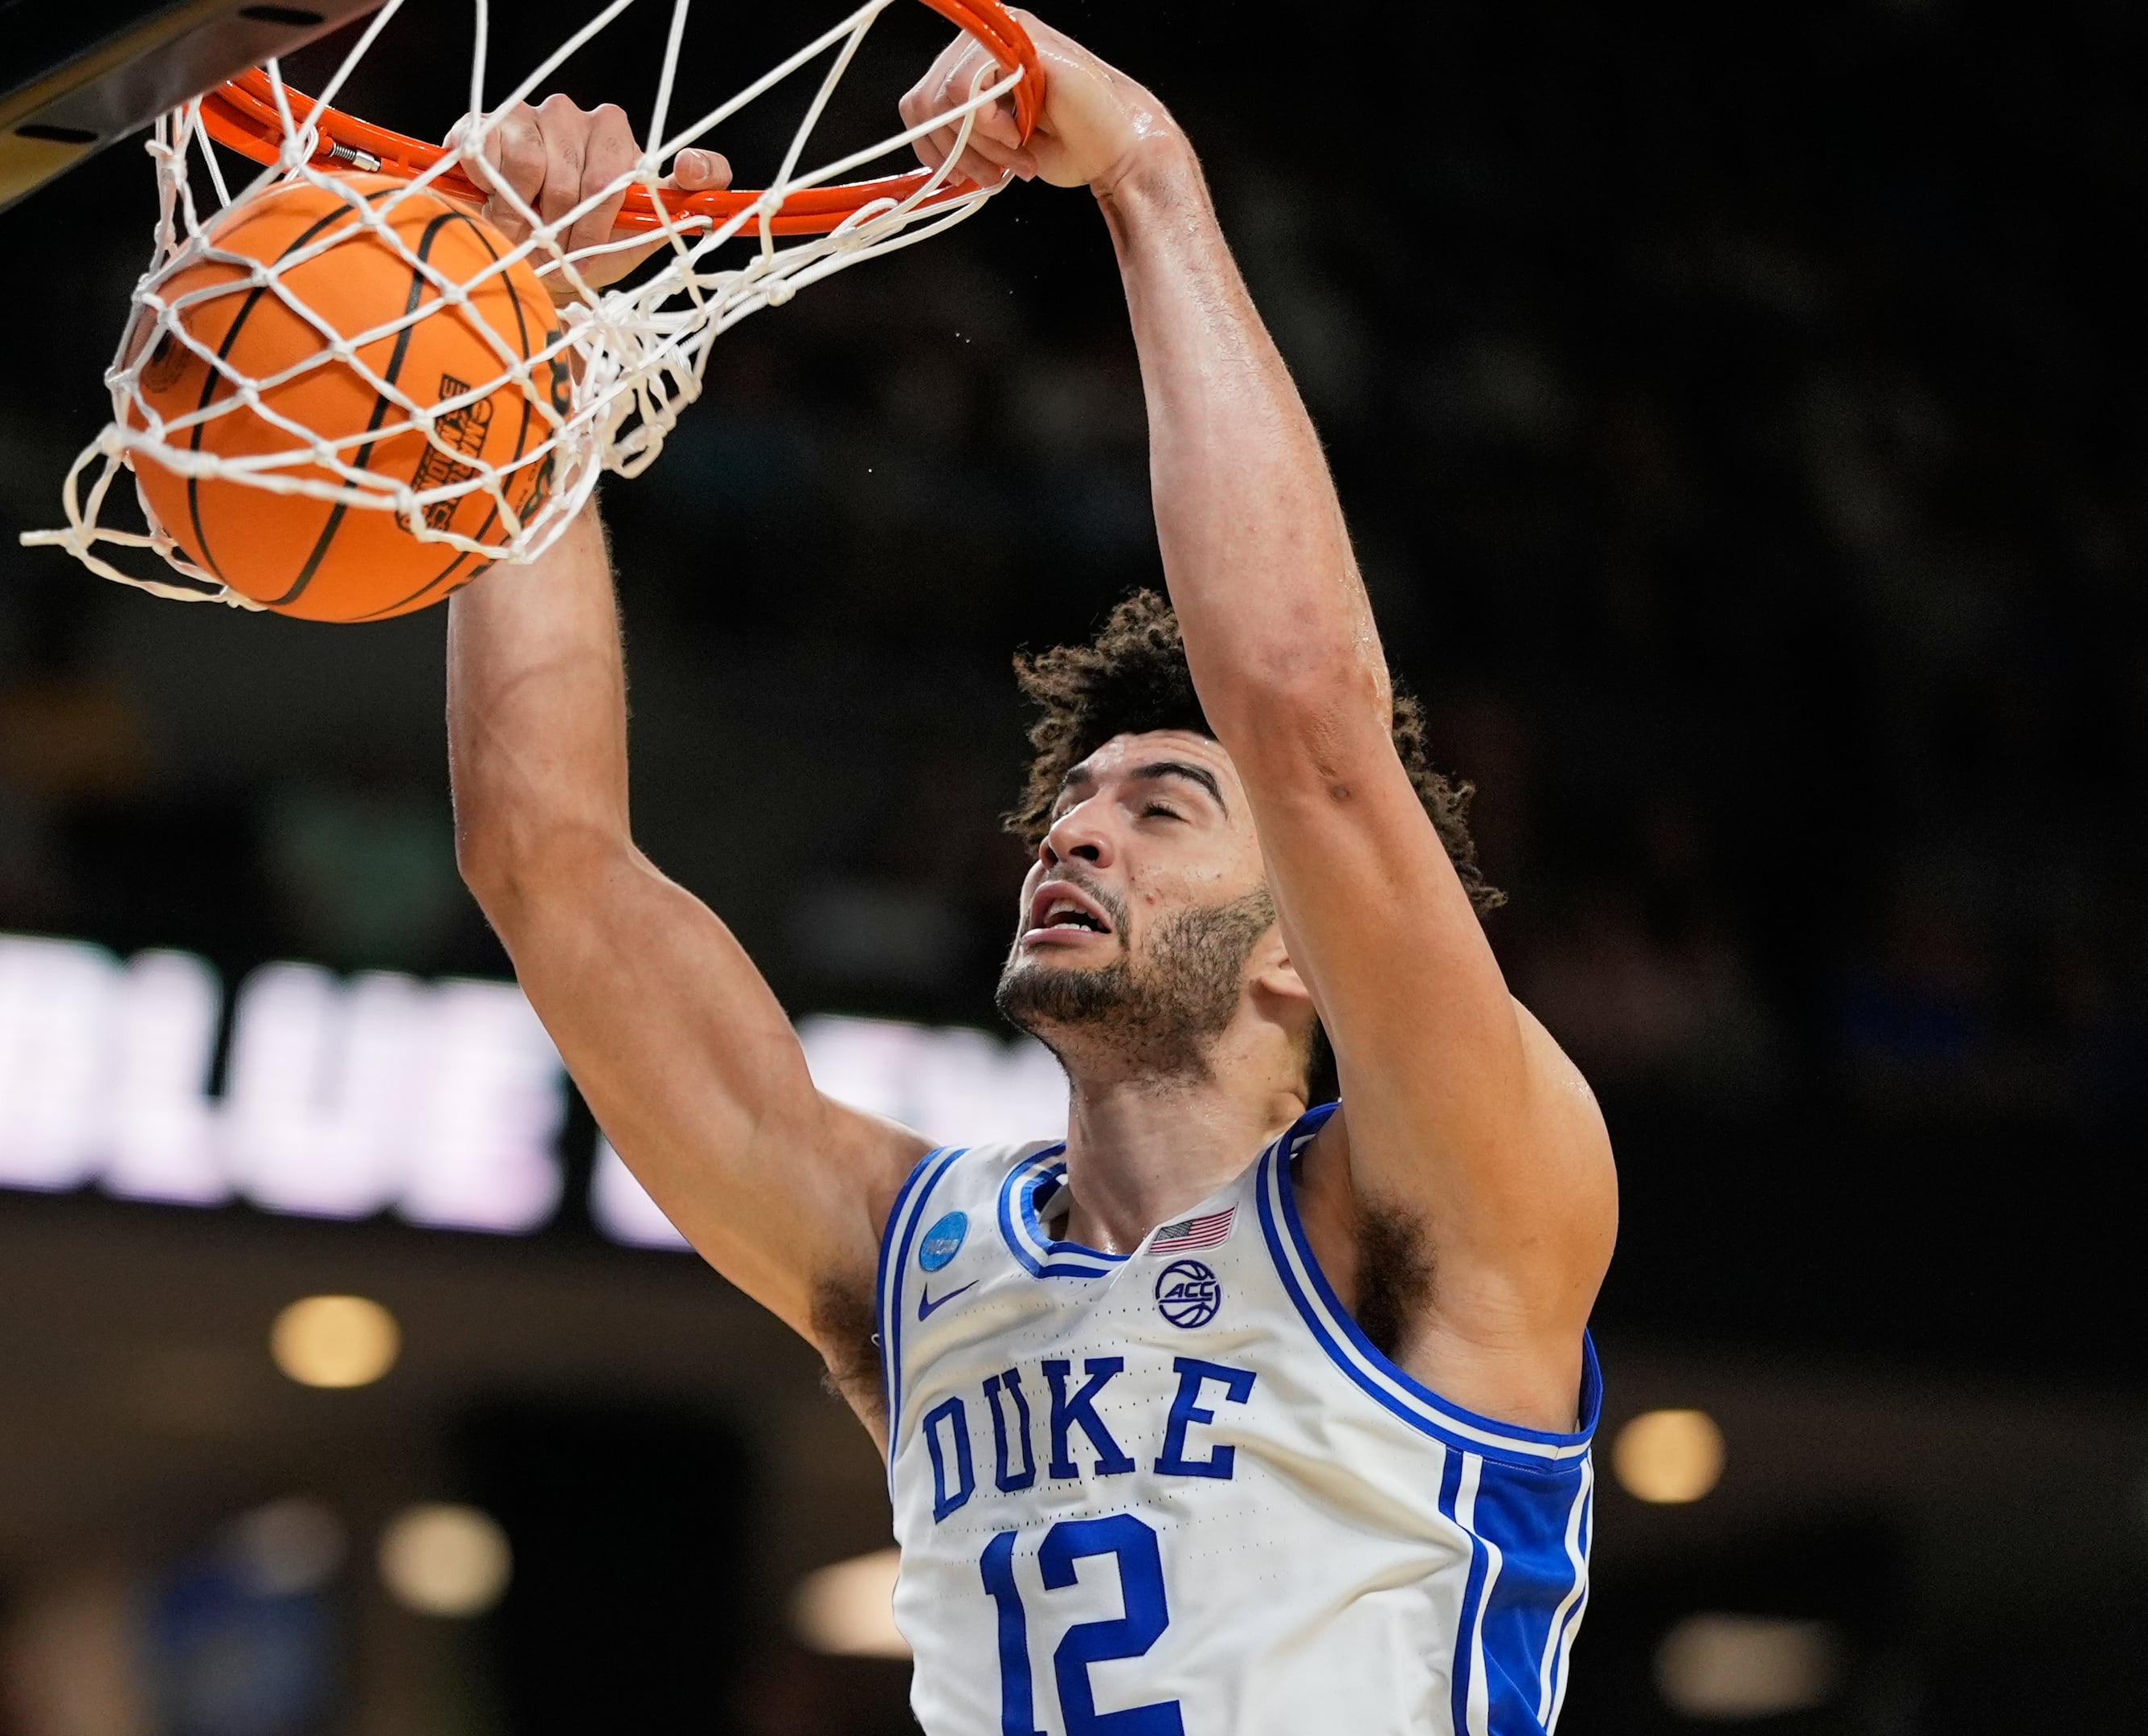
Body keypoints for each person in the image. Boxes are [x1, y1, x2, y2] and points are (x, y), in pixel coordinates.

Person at [443, 14, 1617, 1734]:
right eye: (1073, 803)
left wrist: (1146, 175)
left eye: (1158, 809)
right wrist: (527, 341)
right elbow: (543, 861)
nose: (1070, 831)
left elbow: (1302, 718)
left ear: (1301, 949)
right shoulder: (915, 1259)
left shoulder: (1445, 1203)